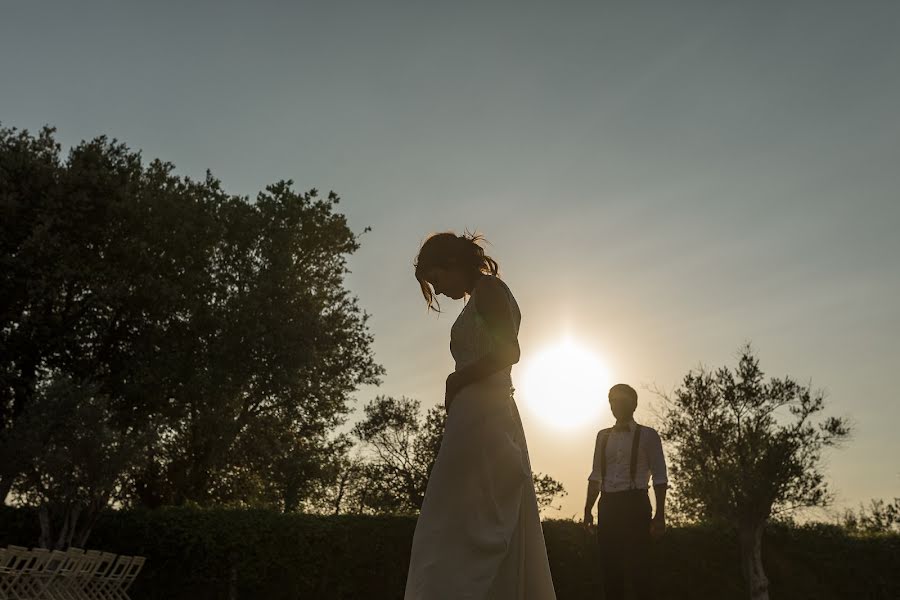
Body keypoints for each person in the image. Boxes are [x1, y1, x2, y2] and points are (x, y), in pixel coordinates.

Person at [404, 232, 556, 600]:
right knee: (454, 519)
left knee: (461, 522)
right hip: (473, 417)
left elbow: (510, 351)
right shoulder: (480, 296)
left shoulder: (489, 291)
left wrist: (457, 378)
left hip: (486, 416)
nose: (437, 291)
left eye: (437, 280)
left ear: (453, 264)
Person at [583, 383, 668, 600]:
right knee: (609, 568)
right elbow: (596, 474)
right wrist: (588, 510)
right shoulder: (602, 436)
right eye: (611, 400)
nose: (615, 405)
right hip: (608, 504)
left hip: (635, 503)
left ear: (633, 404)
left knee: (640, 569)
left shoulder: (649, 436)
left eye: (620, 400)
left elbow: (659, 477)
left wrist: (659, 516)